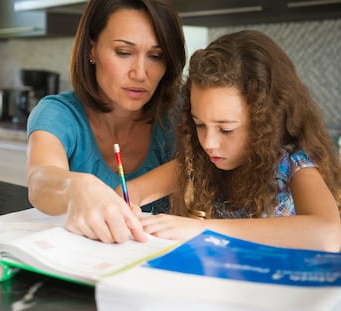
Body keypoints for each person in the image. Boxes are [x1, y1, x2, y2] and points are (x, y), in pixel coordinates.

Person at [123, 30, 341, 252]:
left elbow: (329, 233)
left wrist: (203, 229)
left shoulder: (293, 163)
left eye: (226, 129)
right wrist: (125, 205)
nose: (209, 143)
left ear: (266, 121)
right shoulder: (202, 161)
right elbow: (132, 191)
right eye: (199, 124)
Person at [26, 0, 186, 243]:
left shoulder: (180, 115)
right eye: (124, 52)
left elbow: (203, 169)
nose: (140, 73)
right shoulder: (58, 114)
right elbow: (39, 181)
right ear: (91, 49)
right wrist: (76, 187)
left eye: (156, 56)